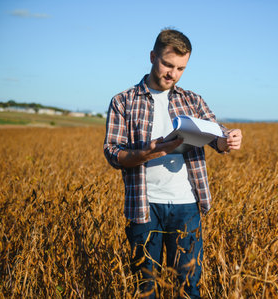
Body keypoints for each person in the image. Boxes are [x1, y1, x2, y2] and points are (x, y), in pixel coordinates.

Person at [103, 28, 242, 298]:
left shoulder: (192, 100)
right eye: (168, 64)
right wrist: (149, 152)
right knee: (146, 289)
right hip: (143, 207)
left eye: (180, 68)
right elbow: (112, 153)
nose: (173, 74)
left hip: (187, 207)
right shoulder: (123, 102)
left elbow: (217, 135)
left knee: (188, 288)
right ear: (153, 56)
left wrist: (229, 140)